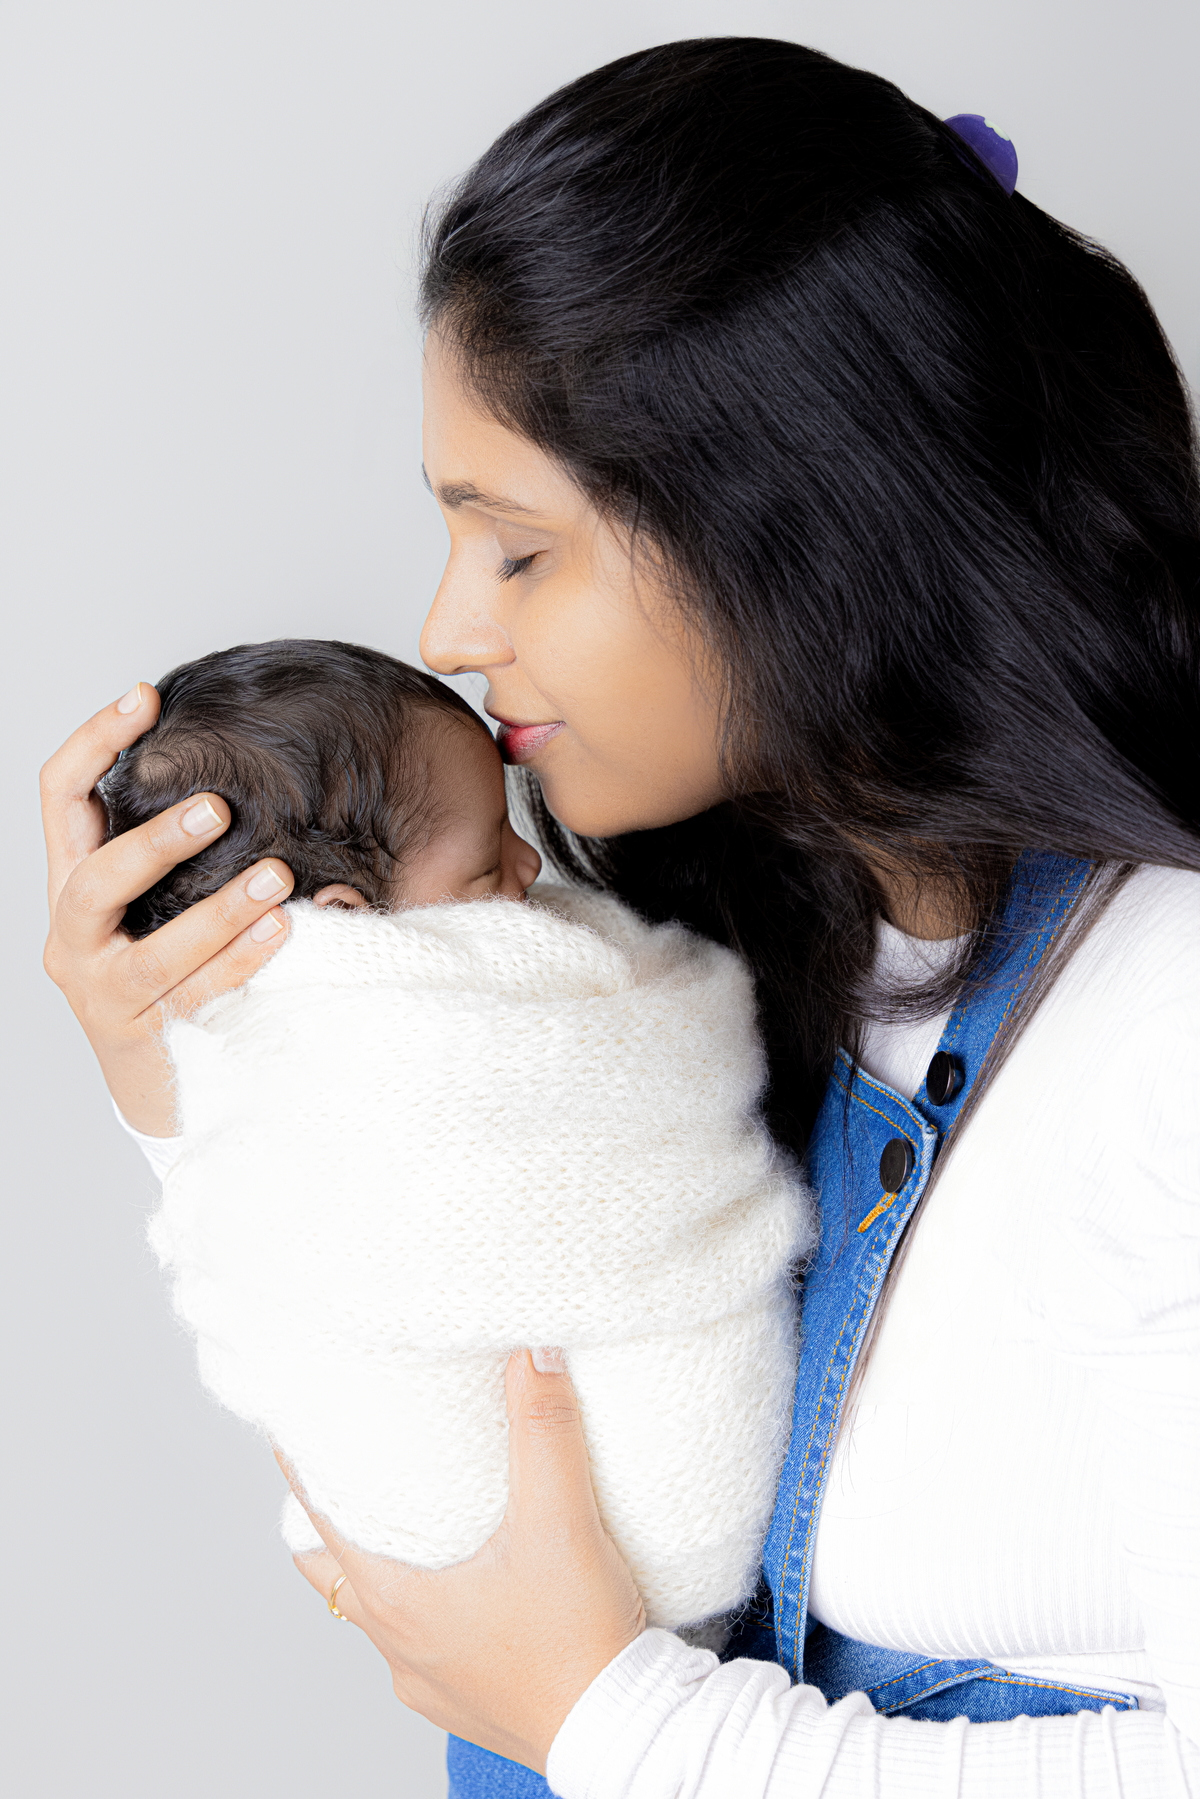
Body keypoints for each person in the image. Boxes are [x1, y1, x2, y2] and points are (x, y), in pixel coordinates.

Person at [41, 35, 1198, 1799]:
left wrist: (618, 1724)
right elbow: (431, 1348)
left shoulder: (1166, 1029)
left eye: (517, 545)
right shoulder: (773, 942)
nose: (448, 626)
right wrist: (176, 1079)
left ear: (800, 529)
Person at [104, 635, 811, 1641]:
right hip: (464, 1566)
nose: (530, 866)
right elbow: (279, 1229)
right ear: (343, 917)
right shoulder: (303, 1043)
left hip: (514, 1611)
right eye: (487, 864)